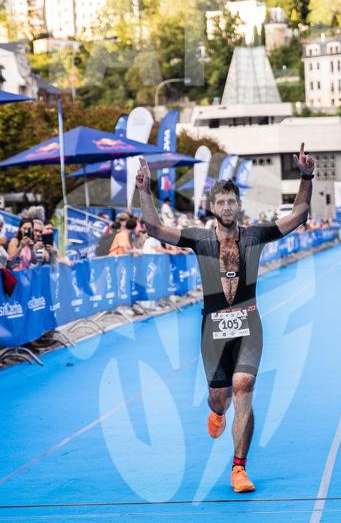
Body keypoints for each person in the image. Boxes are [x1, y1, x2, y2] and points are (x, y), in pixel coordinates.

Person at [136, 143, 315, 494]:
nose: (227, 207)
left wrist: (306, 177)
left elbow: (299, 214)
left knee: (243, 385)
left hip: (249, 324)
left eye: (232, 201)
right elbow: (154, 229)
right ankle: (217, 411)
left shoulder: (255, 236)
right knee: (220, 397)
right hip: (213, 331)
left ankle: (238, 468)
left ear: (239, 206)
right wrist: (144, 190)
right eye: (221, 202)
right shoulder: (199, 239)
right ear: (212, 207)